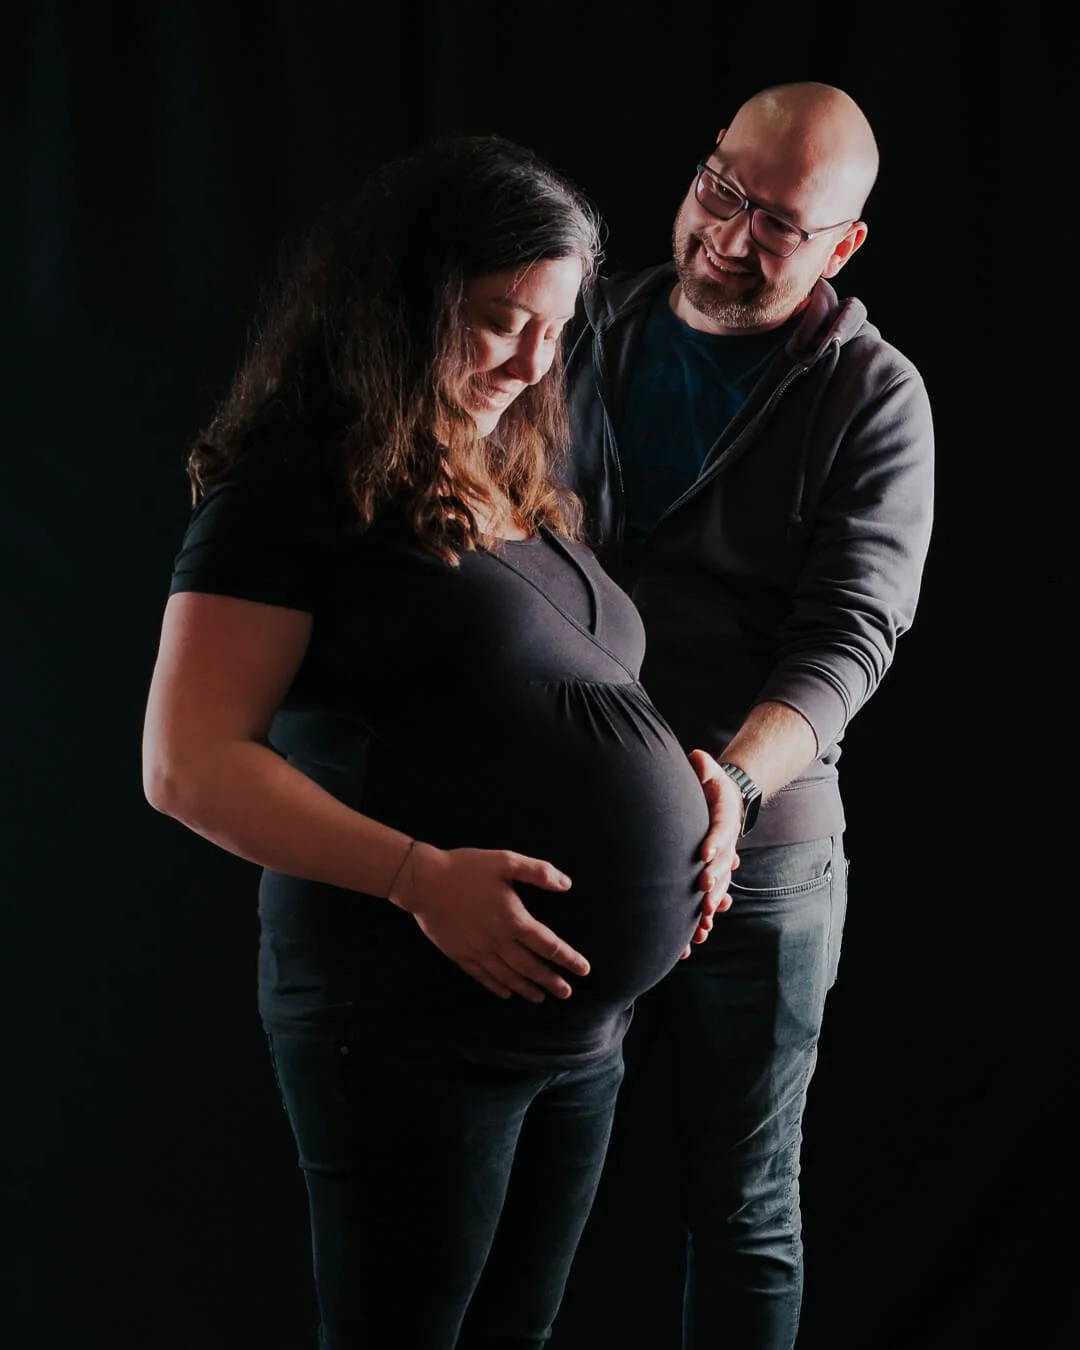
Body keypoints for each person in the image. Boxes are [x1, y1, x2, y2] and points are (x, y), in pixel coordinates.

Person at [140, 133, 734, 1350]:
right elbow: (187, 763)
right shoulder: (289, 493)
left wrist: (701, 789)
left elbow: (559, 693)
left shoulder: (505, 474)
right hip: (407, 1018)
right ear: (399, 309)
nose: (529, 360)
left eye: (555, 328)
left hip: (575, 1031)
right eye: (494, 320)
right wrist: (423, 880)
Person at [551, 82, 935, 1350]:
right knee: (526, 1183)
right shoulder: (579, 327)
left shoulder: (873, 396)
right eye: (724, 189)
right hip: (563, 840)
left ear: (844, 244)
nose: (728, 238)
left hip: (762, 860)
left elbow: (851, 636)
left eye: (781, 222)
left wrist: (731, 783)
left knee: (745, 1205)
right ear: (705, 157)